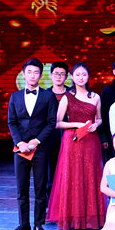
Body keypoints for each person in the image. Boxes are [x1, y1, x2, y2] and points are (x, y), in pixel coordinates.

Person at [47, 62, 105, 230]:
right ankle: (72, 218)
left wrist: (96, 125)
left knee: (90, 176)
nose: (81, 78)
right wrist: (77, 124)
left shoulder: (95, 97)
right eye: (77, 74)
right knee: (73, 177)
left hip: (91, 141)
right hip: (72, 141)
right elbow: (58, 123)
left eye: (84, 74)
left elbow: (99, 118)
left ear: (88, 76)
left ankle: (91, 218)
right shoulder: (67, 97)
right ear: (72, 77)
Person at [8, 58, 58, 230]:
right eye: (29, 72)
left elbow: (51, 122)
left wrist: (36, 141)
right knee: (21, 187)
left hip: (40, 148)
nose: (32, 75)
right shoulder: (15, 97)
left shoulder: (48, 96)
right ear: (23, 74)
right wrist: (20, 143)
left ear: (41, 75)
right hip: (21, 149)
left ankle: (39, 224)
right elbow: (12, 122)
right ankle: (23, 224)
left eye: (36, 72)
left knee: (40, 186)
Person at [45, 62, 70, 194]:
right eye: (56, 74)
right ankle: (51, 202)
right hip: (49, 140)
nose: (59, 77)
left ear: (66, 76)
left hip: (70, 139)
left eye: (62, 74)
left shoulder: (73, 94)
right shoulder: (45, 95)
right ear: (51, 75)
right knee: (51, 175)